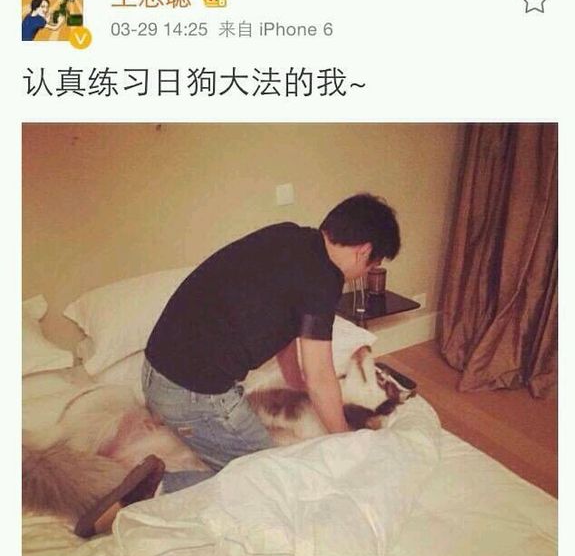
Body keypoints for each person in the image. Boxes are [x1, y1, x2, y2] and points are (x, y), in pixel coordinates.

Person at [142, 193, 401, 493]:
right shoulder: (323, 280)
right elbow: (320, 375)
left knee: (262, 468)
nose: (364, 274)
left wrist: (294, 380)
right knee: (273, 478)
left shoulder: (288, 236)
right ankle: (154, 489)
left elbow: (284, 326)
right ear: (363, 251)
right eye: (370, 266)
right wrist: (345, 441)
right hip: (191, 396)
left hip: (156, 371)